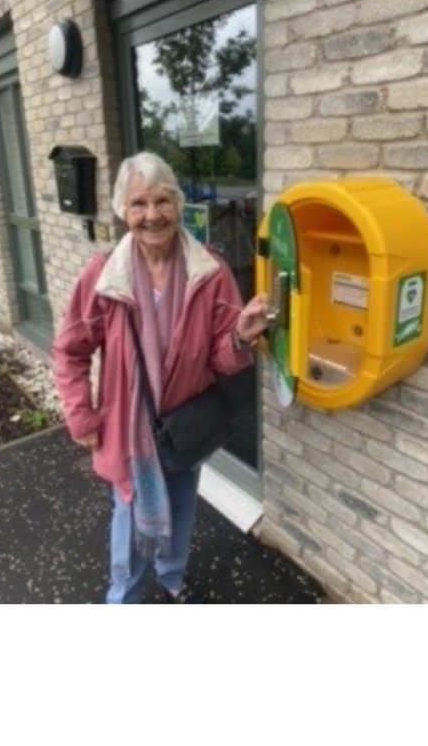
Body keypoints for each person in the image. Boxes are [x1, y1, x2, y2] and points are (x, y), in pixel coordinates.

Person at [52, 151, 269, 604]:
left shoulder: (210, 272)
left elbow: (221, 360)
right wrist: (82, 417)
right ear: (123, 211)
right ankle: (124, 594)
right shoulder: (104, 275)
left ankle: (172, 573)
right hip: (128, 430)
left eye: (162, 201)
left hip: (186, 425)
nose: (152, 215)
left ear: (178, 203)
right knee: (130, 519)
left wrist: (241, 339)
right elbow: (71, 350)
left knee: (184, 506)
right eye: (138, 204)